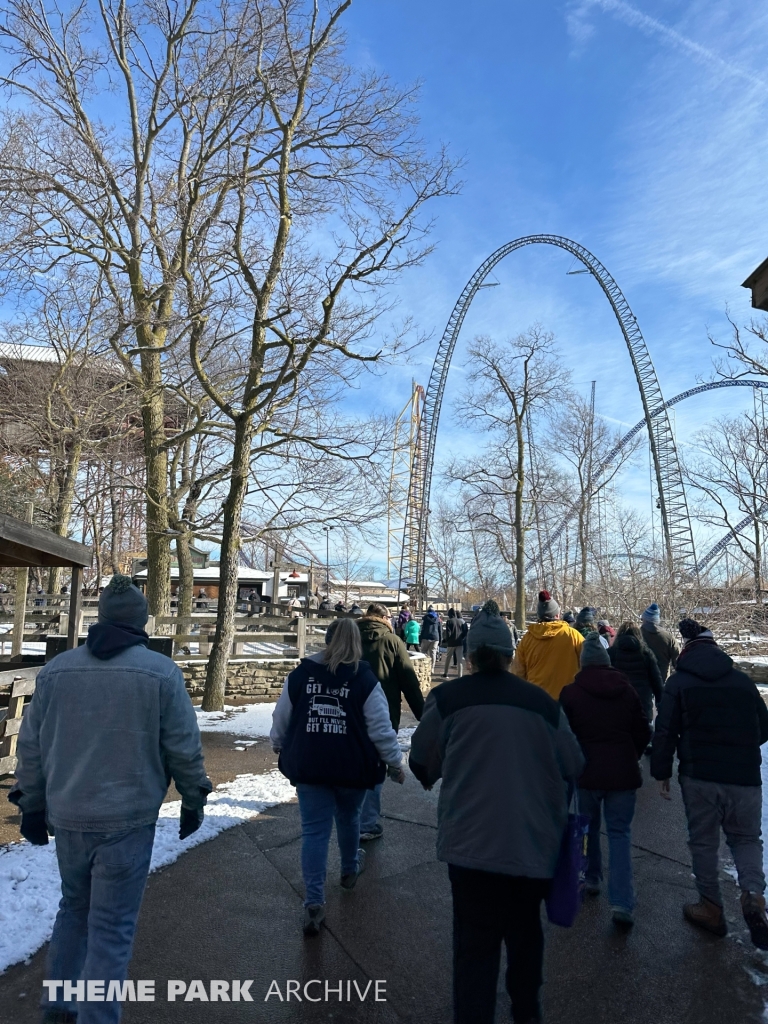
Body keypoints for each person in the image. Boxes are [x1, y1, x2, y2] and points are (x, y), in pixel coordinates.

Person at [9, 574, 211, 1024]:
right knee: (111, 928)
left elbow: (33, 746)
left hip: (70, 816)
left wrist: (32, 803)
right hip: (127, 818)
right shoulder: (160, 673)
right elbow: (182, 743)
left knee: (73, 909)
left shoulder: (58, 671)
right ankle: (97, 1016)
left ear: (100, 619)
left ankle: (59, 1007)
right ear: (142, 622)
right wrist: (193, 796)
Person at [410, 600, 584, 1024]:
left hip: (470, 846)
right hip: (531, 843)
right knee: (526, 937)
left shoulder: (448, 699)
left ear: (470, 654)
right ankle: (528, 1013)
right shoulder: (542, 705)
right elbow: (574, 763)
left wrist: (439, 771)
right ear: (510, 655)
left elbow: (421, 760)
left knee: (474, 947)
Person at [270, 617, 405, 936]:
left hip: (311, 765)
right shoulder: (365, 680)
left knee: (314, 833)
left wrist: (279, 745)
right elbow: (381, 729)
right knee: (350, 819)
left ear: (327, 640)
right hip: (352, 766)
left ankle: (314, 902)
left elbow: (281, 717)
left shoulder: (302, 674)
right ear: (357, 642)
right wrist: (395, 763)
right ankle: (348, 869)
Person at [651, 618, 768, 950]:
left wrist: (661, 772)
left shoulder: (680, 683)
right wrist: (740, 749)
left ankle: (711, 908)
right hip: (745, 778)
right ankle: (754, 896)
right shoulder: (742, 682)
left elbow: (665, 730)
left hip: (699, 776)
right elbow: (765, 726)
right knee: (746, 839)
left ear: (686, 650)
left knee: (703, 843)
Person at [560, 633, 651, 927]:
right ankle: (622, 903)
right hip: (622, 773)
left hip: (586, 772)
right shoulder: (627, 691)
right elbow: (642, 730)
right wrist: (631, 755)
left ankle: (591, 877)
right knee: (620, 834)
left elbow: (564, 737)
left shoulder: (571, 693)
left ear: (583, 664)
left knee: (586, 828)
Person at [357, 604, 425, 840]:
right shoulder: (393, 641)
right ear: (384, 618)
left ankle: (350, 815)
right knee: (376, 764)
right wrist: (422, 714)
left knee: (352, 761)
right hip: (383, 710)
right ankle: (367, 822)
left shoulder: (350, 637)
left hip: (349, 710)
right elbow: (408, 680)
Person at [513, 590, 583, 700]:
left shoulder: (527, 640)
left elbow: (518, 673)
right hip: (567, 701)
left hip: (537, 701)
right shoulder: (573, 636)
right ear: (557, 614)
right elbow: (588, 665)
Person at [608, 621, 663, 727]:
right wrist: (661, 704)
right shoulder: (646, 654)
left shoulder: (611, 653)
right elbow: (657, 682)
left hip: (617, 704)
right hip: (642, 705)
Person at [640, 602, 679, 681]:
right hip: (662, 679)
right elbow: (678, 661)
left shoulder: (636, 635)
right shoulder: (668, 637)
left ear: (646, 620)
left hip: (641, 681)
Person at [442, 608, 468, 679]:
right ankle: (460, 675)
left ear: (449, 615)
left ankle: (446, 673)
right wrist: (461, 638)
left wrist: (445, 640)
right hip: (459, 642)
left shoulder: (449, 621)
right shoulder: (460, 621)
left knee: (448, 658)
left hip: (451, 643)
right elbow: (464, 632)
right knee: (460, 660)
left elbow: (448, 633)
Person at [419, 605, 442, 671]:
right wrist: (440, 639)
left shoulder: (425, 618)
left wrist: (420, 638)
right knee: (433, 653)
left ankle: (423, 667)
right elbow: (440, 630)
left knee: (423, 652)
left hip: (426, 637)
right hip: (435, 637)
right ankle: (432, 668)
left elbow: (422, 629)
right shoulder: (438, 619)